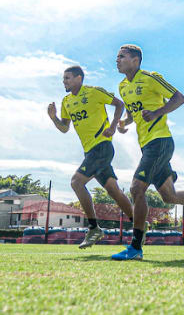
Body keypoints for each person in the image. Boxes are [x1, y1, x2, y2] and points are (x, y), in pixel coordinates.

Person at [111, 44, 184, 261]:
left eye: (122, 56)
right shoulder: (123, 86)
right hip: (146, 145)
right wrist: (125, 122)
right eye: (117, 57)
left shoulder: (151, 78)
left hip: (160, 142)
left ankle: (135, 247)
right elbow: (133, 110)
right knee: (169, 196)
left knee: (137, 189)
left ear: (136, 60)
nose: (117, 60)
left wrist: (157, 112)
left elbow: (179, 98)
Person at [48, 65, 135, 249]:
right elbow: (65, 128)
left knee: (76, 182)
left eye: (68, 78)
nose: (64, 81)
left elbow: (119, 104)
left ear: (79, 78)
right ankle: (139, 224)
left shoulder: (94, 92)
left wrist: (113, 126)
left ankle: (94, 228)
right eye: (63, 78)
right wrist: (54, 117)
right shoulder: (66, 101)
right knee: (114, 191)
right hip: (90, 152)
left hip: (102, 147)